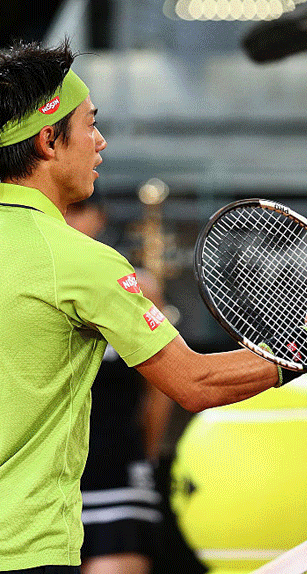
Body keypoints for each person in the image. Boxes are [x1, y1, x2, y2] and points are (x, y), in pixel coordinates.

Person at [0, 40, 281, 574]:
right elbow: (196, 382)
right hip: (33, 562)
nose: (100, 143)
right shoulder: (85, 262)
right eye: (91, 125)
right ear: (50, 141)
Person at [63, 194, 172, 574]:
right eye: (62, 210)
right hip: (47, 481)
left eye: (79, 209)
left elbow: (161, 387)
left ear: (100, 217)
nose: (70, 219)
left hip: (117, 471)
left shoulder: (137, 289)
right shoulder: (28, 286)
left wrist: (146, 452)